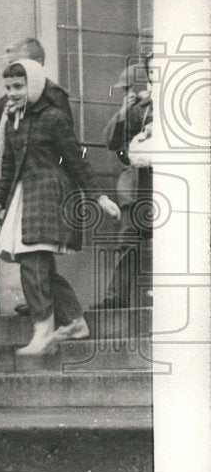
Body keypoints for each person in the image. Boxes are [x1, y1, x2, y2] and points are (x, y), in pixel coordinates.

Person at [0, 60, 121, 356]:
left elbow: (76, 161)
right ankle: (74, 322)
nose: (13, 93)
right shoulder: (12, 119)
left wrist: (100, 197)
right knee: (37, 265)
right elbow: (8, 165)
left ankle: (43, 331)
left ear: (33, 85)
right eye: (8, 88)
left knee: (33, 266)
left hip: (49, 196)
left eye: (18, 86)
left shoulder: (54, 117)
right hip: (25, 197)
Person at [0, 38, 74, 316]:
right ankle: (48, 306)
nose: (13, 71)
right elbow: (5, 146)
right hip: (14, 181)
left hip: (41, 185)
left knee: (34, 251)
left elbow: (65, 145)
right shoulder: (5, 101)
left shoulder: (54, 97)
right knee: (28, 251)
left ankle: (45, 307)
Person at [99, 62, 154, 309]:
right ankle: (116, 297)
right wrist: (123, 111)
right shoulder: (132, 109)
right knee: (128, 239)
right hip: (134, 182)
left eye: (130, 87)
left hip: (159, 180)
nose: (127, 92)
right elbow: (111, 140)